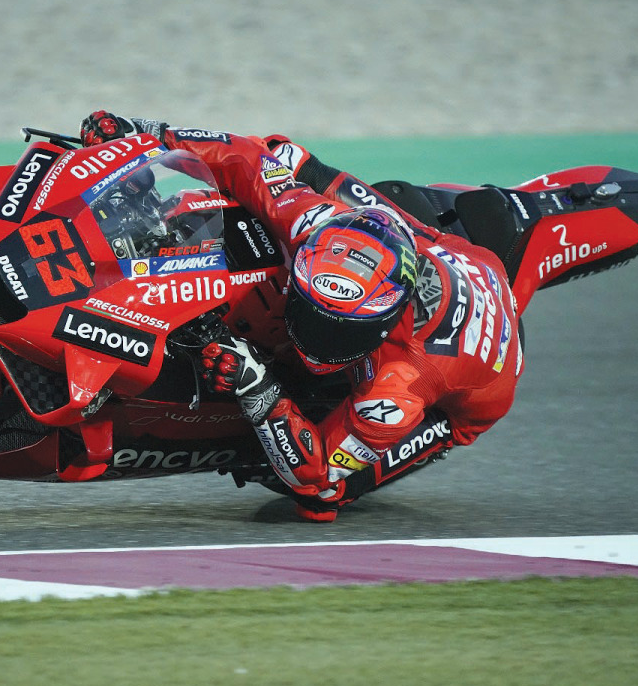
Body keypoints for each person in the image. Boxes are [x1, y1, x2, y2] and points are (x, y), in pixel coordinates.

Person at [81, 111, 524, 522]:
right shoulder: (314, 222)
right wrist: (142, 136)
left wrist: (258, 386)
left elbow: (318, 480)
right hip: (444, 247)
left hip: (466, 395)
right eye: (309, 312)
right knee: (283, 152)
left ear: (382, 324)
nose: (312, 337)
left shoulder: (398, 389)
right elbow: (246, 156)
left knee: (321, 495)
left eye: (335, 332)